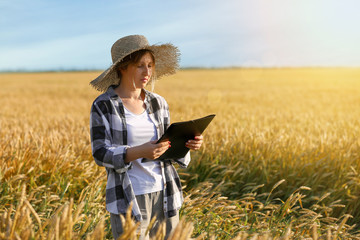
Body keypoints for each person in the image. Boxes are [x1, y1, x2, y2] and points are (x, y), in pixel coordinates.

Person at [89, 35, 203, 240]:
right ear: (122, 67)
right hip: (127, 196)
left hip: (166, 193)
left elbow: (167, 143)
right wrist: (139, 151)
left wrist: (186, 144)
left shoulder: (159, 103)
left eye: (150, 65)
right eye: (140, 65)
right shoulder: (104, 105)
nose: (147, 72)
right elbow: (99, 153)